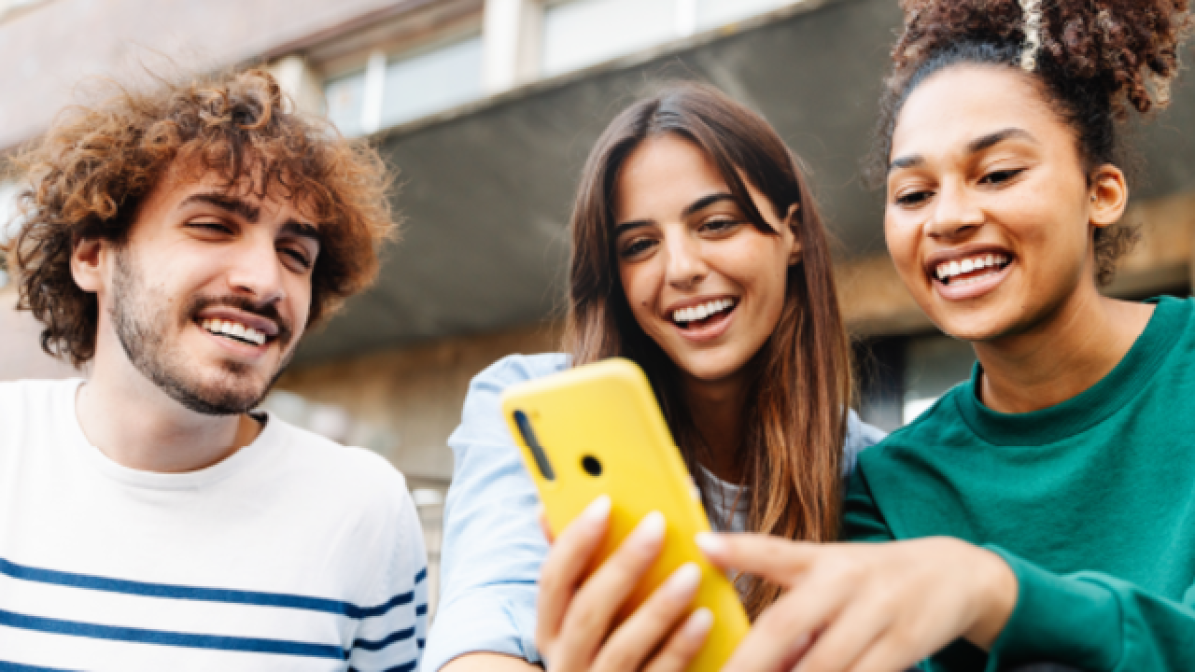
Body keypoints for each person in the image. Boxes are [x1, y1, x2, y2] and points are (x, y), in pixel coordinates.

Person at [692, 0, 1195, 670]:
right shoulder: (886, 487)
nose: (948, 218)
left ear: (1100, 193)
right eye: (913, 194)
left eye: (997, 174)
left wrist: (995, 594)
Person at [423, 82, 886, 672]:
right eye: (640, 245)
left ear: (791, 234)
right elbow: (481, 628)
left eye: (716, 224)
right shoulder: (533, 406)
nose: (683, 269)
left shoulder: (870, 470)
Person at [0, 69, 427, 671]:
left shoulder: (364, 507)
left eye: (295, 254)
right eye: (212, 226)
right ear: (94, 256)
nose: (266, 280)